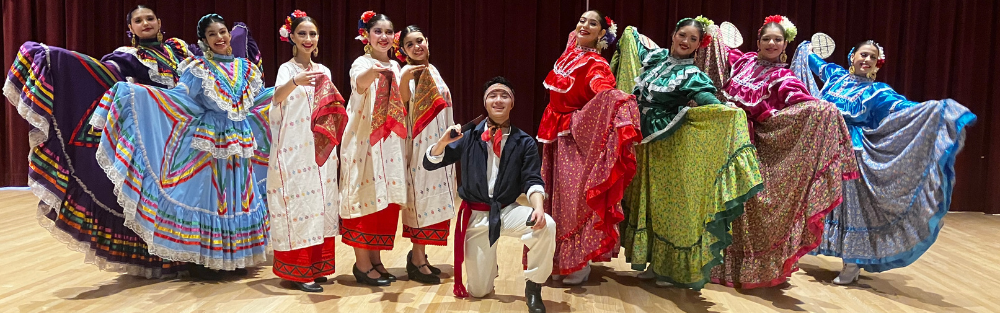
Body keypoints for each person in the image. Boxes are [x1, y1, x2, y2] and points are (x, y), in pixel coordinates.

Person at [3, 5, 259, 278]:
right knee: (162, 193)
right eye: (138, 20)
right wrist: (58, 59)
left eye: (150, 18)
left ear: (160, 22)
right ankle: (164, 258)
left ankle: (210, 253)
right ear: (131, 29)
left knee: (203, 195)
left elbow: (214, 61)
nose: (145, 23)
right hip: (156, 130)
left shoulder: (181, 50)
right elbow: (101, 73)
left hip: (195, 130)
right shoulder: (127, 56)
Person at [90, 13, 273, 279]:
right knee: (213, 196)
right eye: (212, 35)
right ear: (204, 41)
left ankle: (236, 255)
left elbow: (255, 100)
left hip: (241, 140)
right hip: (210, 141)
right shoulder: (198, 68)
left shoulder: (246, 68)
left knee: (239, 193)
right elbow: (179, 99)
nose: (220, 38)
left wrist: (286, 92)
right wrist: (138, 95)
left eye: (222, 32)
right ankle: (209, 259)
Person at [790, 39, 977, 284]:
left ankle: (852, 262)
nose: (867, 60)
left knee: (850, 208)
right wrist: (805, 46)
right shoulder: (834, 76)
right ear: (852, 57)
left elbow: (904, 108)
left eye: (872, 58)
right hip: (822, 148)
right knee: (821, 202)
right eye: (863, 55)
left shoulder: (879, 92)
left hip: (852, 151)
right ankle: (801, 248)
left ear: (877, 64)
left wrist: (934, 110)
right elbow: (813, 62)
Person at [708, 15, 859, 288]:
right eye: (766, 38)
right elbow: (721, 51)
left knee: (746, 211)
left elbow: (804, 104)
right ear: (758, 42)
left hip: (752, 149)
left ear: (784, 44)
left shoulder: (784, 77)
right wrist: (712, 30)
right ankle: (709, 261)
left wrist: (824, 112)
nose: (771, 43)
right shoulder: (743, 62)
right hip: (720, 144)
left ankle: (746, 271)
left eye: (777, 39)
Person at [613, 17, 763, 290]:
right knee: (647, 202)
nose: (686, 41)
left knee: (667, 207)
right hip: (643, 143)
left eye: (693, 39)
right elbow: (637, 44)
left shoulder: (692, 75)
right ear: (673, 35)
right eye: (683, 35)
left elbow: (708, 100)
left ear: (698, 46)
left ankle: (672, 269)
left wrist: (729, 113)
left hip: (670, 146)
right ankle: (652, 261)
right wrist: (629, 31)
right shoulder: (656, 58)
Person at [424, 76, 555, 313]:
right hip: (477, 216)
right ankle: (488, 265)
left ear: (512, 103)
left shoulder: (523, 141)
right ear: (485, 103)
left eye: (504, 96)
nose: (498, 100)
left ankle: (534, 288)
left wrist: (538, 207)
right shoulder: (468, 135)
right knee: (479, 291)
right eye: (492, 95)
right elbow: (431, 162)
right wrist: (442, 142)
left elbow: (532, 179)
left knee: (548, 225)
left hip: (507, 210)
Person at [537, 10, 640, 285]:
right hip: (555, 136)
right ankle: (559, 260)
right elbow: (574, 38)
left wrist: (617, 98)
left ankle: (579, 262)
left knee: (574, 201)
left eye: (592, 23)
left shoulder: (596, 64)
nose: (584, 25)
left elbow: (601, 87)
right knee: (555, 201)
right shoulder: (571, 50)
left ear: (601, 35)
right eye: (582, 20)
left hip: (576, 138)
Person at [267, 10, 347, 292]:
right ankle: (299, 271)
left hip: (320, 146)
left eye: (312, 34)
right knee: (298, 203)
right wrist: (295, 83)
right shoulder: (287, 70)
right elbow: (275, 99)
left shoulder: (324, 70)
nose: (308, 39)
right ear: (291, 37)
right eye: (302, 33)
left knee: (321, 204)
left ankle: (317, 266)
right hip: (294, 148)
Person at [339, 11, 405, 286]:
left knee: (385, 200)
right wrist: (373, 72)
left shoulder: (396, 66)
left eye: (388, 32)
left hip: (389, 144)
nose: (384, 36)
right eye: (378, 31)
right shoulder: (362, 63)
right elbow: (359, 84)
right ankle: (362, 265)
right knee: (364, 198)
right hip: (364, 142)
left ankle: (377, 260)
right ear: (366, 35)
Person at [394, 25, 457, 285]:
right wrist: (405, 76)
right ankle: (417, 260)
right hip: (420, 148)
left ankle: (420, 255)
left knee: (435, 202)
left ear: (427, 41)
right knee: (422, 201)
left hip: (441, 146)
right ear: (403, 51)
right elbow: (402, 102)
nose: (417, 46)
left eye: (419, 40)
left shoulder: (433, 70)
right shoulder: (408, 73)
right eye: (409, 44)